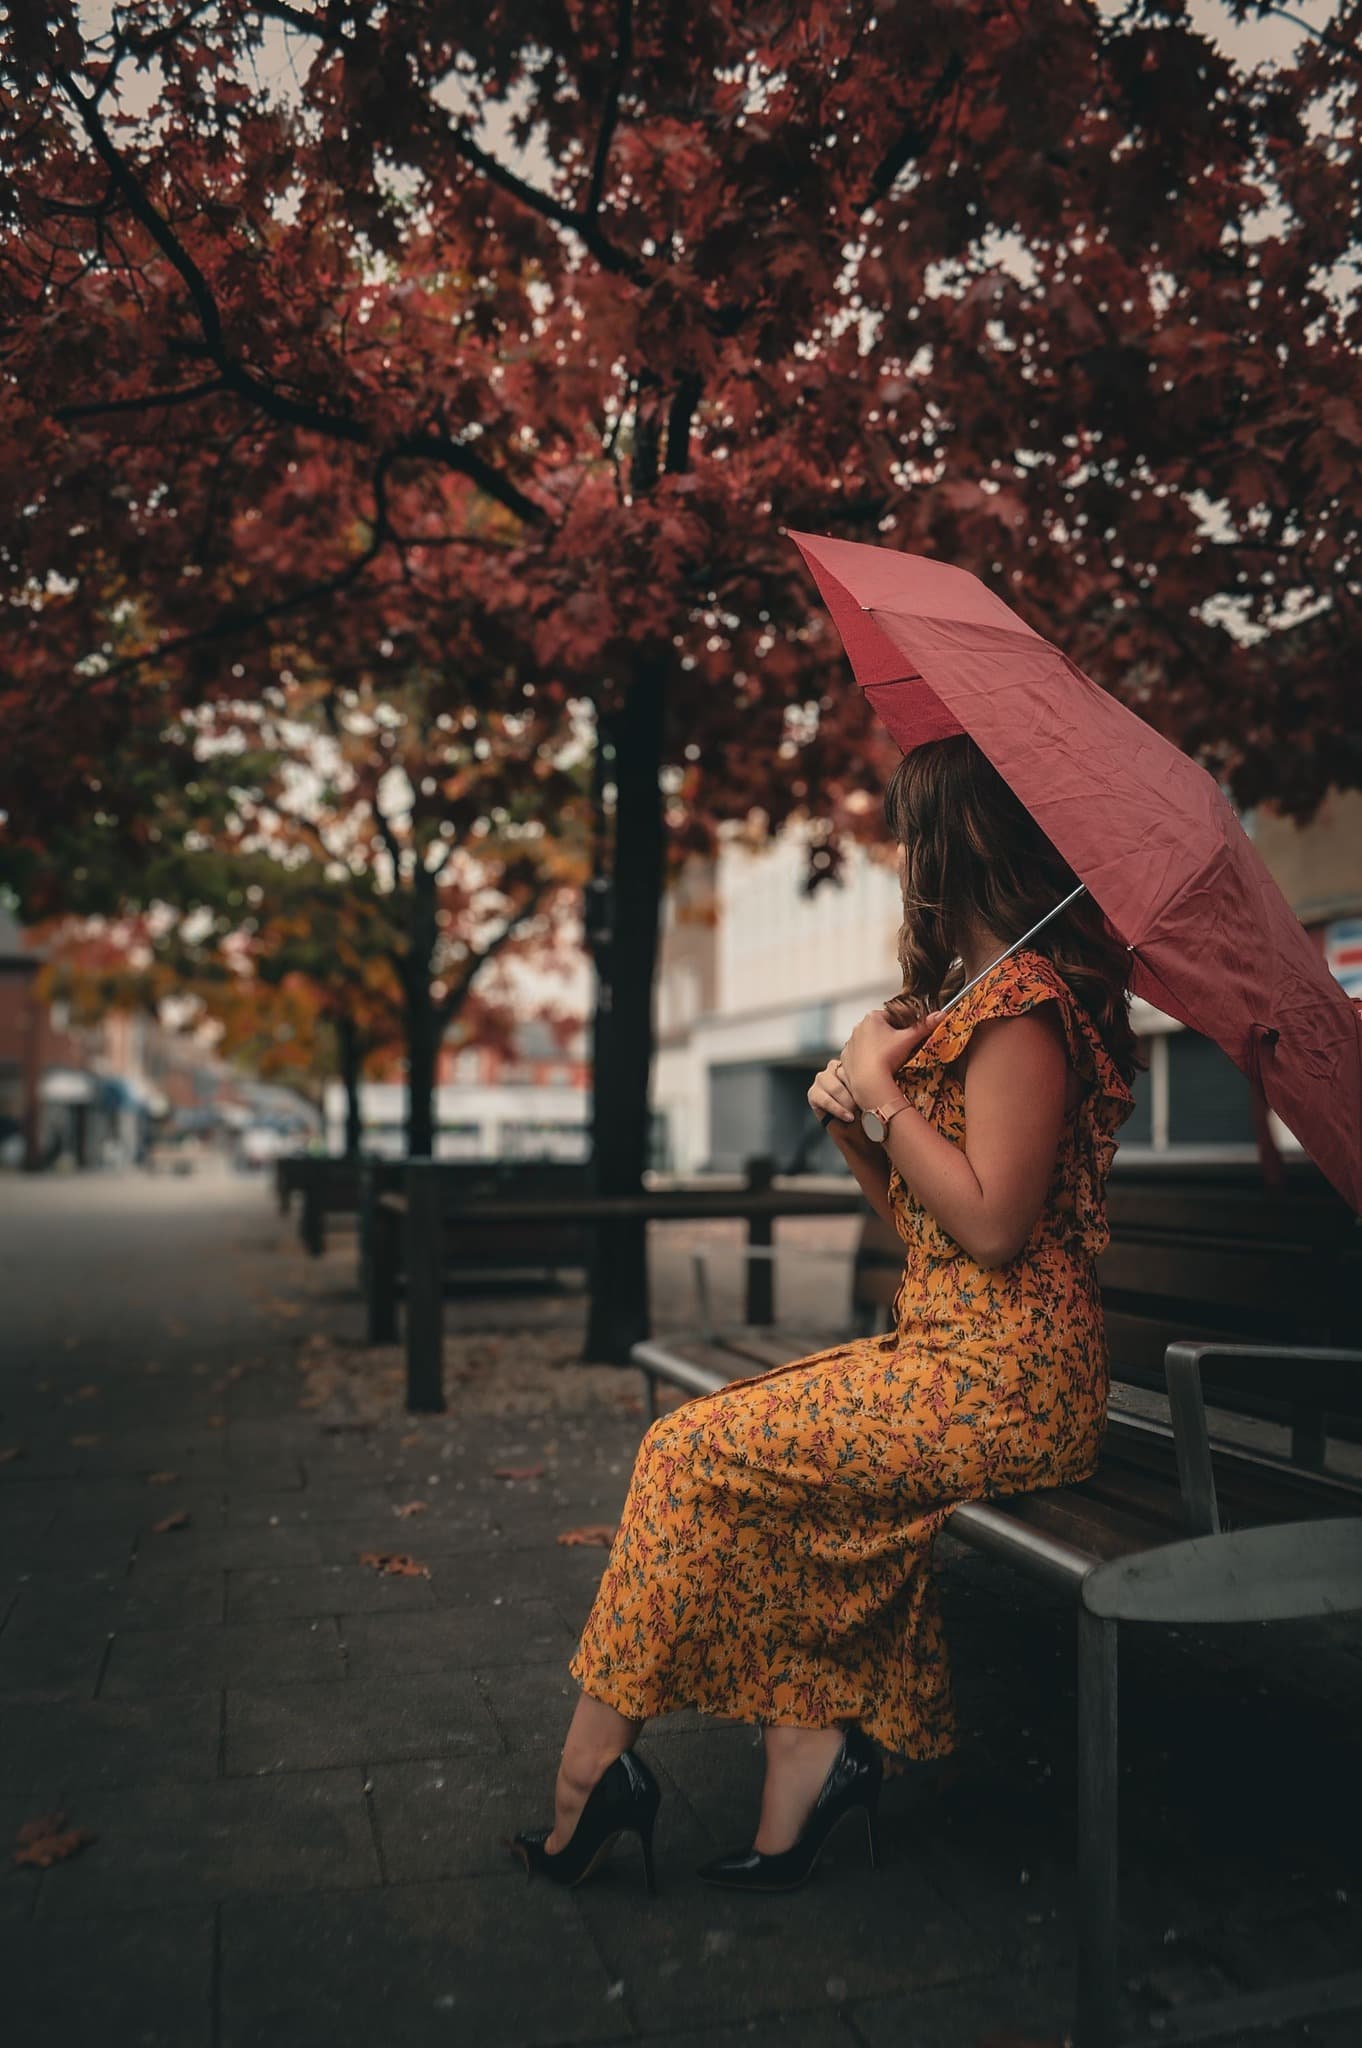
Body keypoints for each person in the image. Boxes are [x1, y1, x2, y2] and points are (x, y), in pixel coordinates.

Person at [512, 733, 1139, 1894]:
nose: (905, 859)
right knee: (736, 1454)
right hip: (951, 1357)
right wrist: (863, 1124)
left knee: (691, 1448)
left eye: (913, 834)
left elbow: (996, 1229)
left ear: (952, 845)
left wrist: (887, 1088)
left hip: (1012, 1386)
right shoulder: (975, 1003)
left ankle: (590, 1780)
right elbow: (934, 1233)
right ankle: (805, 1766)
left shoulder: (1027, 1011)